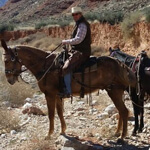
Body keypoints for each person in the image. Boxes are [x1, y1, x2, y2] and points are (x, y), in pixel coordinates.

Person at [60, 6, 92, 98]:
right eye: (73, 15)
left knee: (65, 68)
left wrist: (66, 41)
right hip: (77, 51)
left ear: (80, 14)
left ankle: (67, 91)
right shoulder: (78, 24)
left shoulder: (82, 25)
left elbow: (79, 39)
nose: (74, 16)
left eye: (76, 14)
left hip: (82, 52)